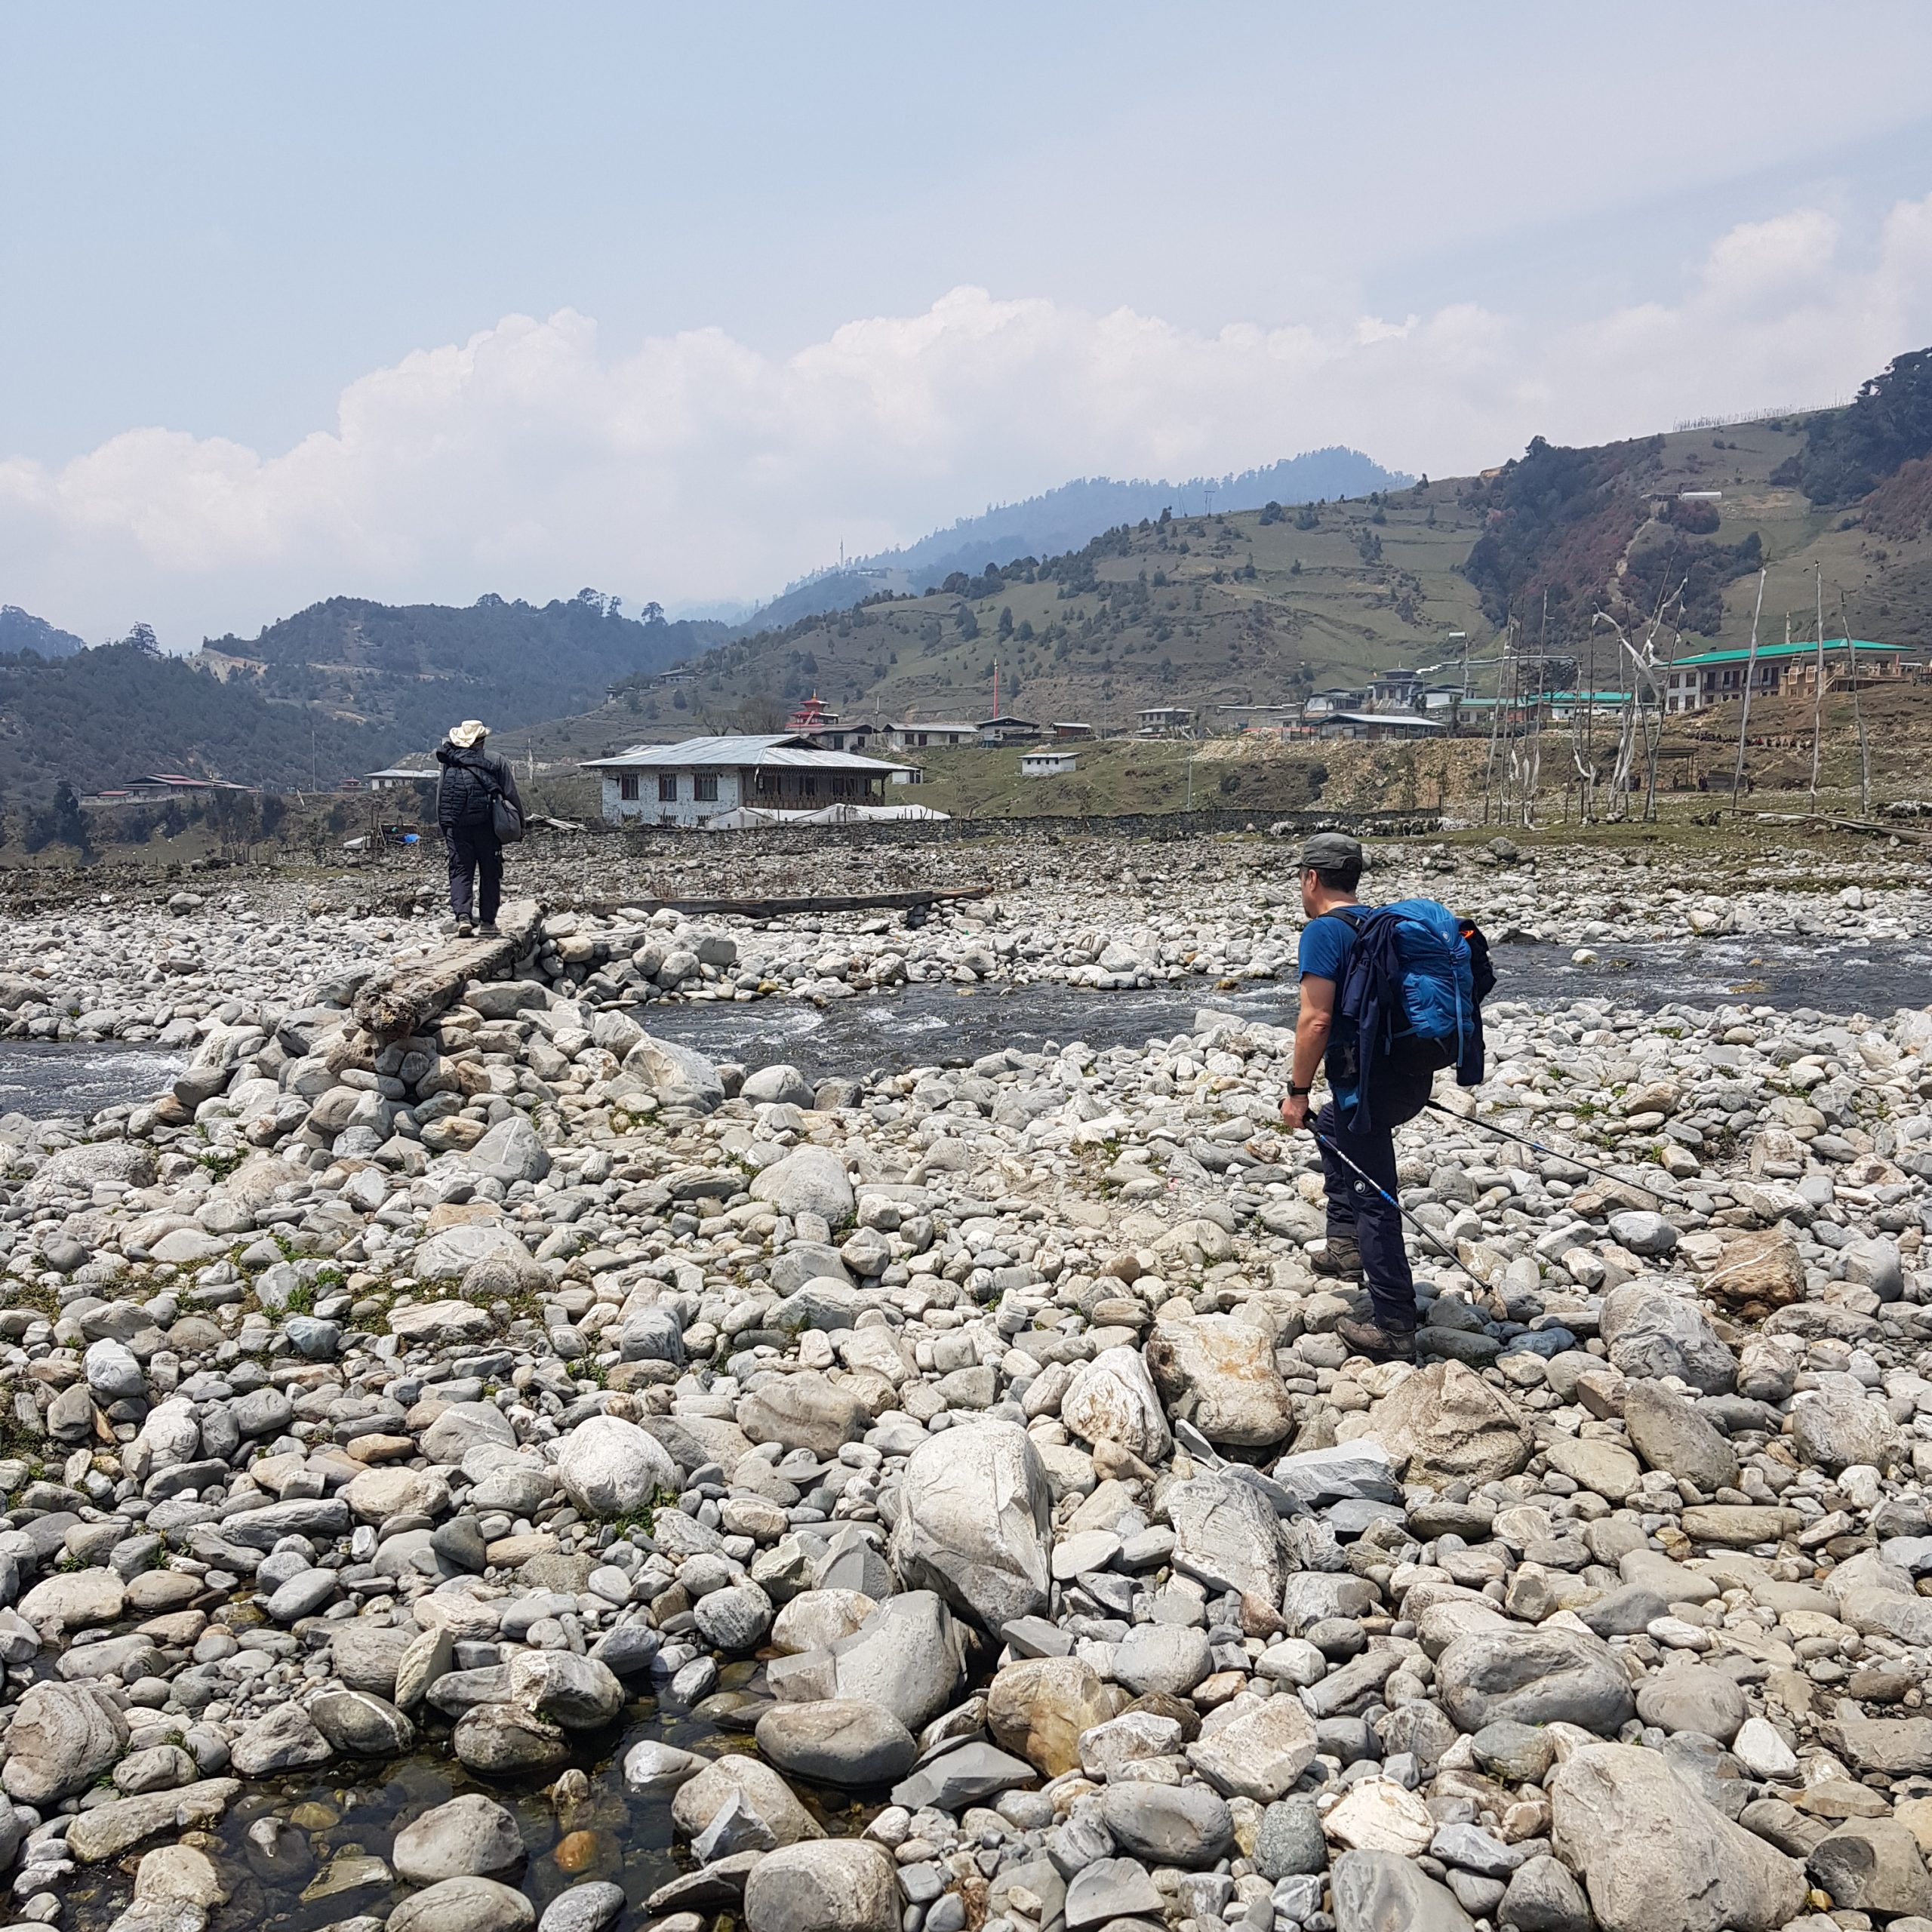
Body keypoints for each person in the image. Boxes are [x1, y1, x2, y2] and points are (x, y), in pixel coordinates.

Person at [1278, 831, 1432, 1362]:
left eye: (1301, 879)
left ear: (1311, 879)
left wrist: (1296, 1092)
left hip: (1366, 1088)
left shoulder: (1324, 931)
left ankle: (1394, 1324)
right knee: (1330, 1125)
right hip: (1407, 1076)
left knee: (1376, 1193)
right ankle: (1345, 1247)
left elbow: (1316, 1019)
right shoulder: (1380, 924)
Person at [435, 719, 523, 938]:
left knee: (460, 870)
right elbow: (511, 795)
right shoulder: (496, 761)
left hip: (457, 827)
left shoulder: (450, 762)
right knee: (490, 872)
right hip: (487, 826)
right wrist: (519, 824)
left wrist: (445, 827)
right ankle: (487, 922)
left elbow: (441, 797)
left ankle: (463, 917)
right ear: (482, 740)